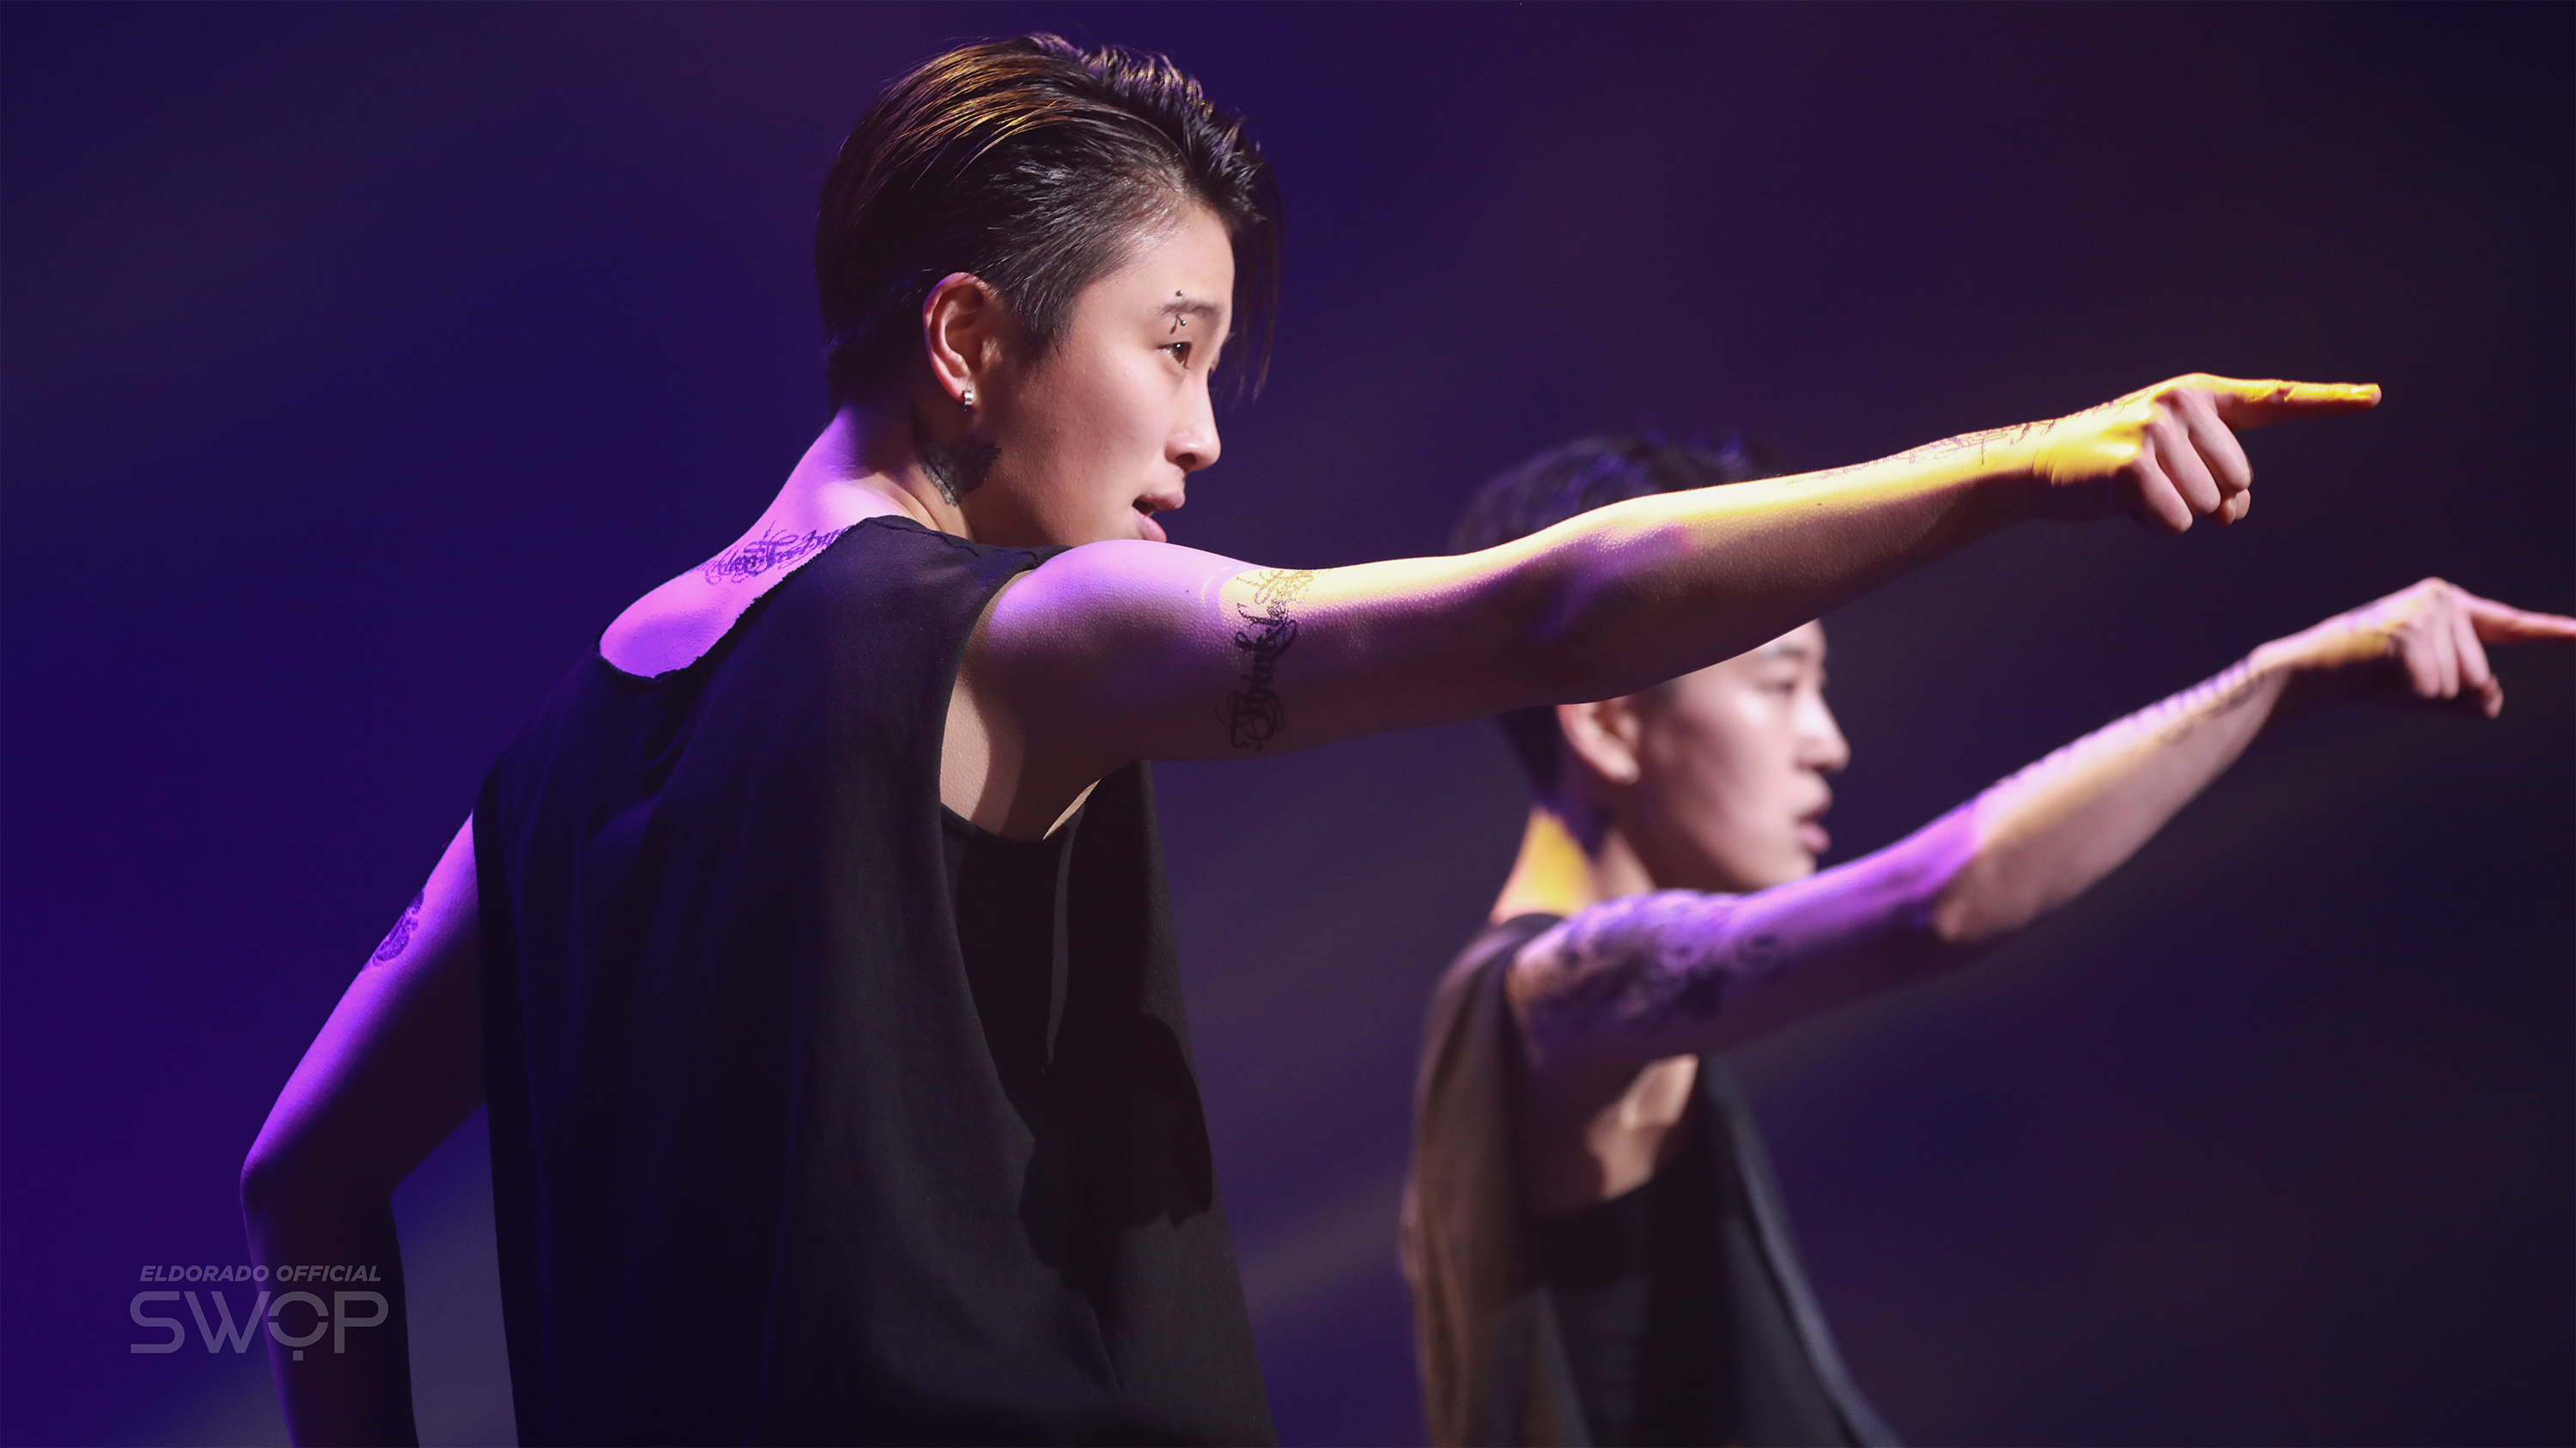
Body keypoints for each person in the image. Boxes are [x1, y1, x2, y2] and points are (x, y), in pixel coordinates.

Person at [235, 32, 2378, 1447]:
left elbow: (302, 1172)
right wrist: (2025, 462)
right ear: (969, 337)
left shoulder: (554, 769)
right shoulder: (1019, 630)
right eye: (1174, 350)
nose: (1196, 437)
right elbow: (1537, 611)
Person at [1398, 434, 2576, 1448]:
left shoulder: (1544, 1026)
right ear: (1610, 722)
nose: (1827, 742)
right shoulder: (1555, 997)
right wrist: (2282, 680)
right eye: (1779, 683)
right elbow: (1936, 901)